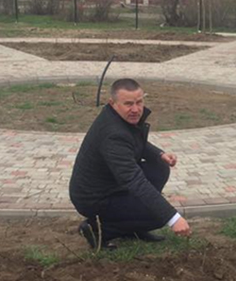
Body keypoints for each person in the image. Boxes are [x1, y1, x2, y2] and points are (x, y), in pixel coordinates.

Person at [69, 78, 191, 249]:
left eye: (139, 102)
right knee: (156, 216)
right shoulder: (113, 133)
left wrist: (160, 154)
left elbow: (133, 142)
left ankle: (135, 226)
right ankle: (96, 229)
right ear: (113, 103)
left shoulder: (119, 119)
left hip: (111, 184)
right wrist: (173, 218)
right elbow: (134, 180)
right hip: (95, 198)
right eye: (128, 104)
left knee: (158, 167)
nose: (135, 109)